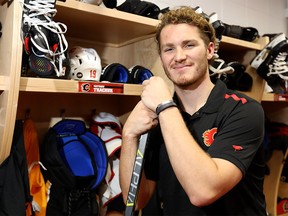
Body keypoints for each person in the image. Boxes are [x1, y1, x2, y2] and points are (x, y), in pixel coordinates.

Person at [119, 6, 267, 216]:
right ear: (161, 57)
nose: (179, 56)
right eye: (168, 49)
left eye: (189, 45)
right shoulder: (158, 116)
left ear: (209, 51)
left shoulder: (244, 110)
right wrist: (129, 136)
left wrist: (164, 105)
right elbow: (136, 200)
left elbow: (204, 191)